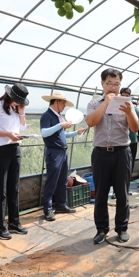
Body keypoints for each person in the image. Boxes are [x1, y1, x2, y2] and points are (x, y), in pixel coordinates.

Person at [85, 68, 139, 244]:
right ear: (102, 84)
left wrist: (130, 111)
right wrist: (105, 104)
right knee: (101, 194)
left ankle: (122, 228)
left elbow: (135, 128)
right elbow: (91, 122)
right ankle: (101, 229)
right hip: (101, 153)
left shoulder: (126, 104)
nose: (113, 88)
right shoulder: (94, 103)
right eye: (110, 83)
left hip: (122, 153)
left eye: (117, 84)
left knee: (122, 193)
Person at [0, 83, 30, 240]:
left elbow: (22, 129)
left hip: (15, 148)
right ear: (10, 95)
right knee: (0, 190)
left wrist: (22, 113)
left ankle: (14, 222)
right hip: (0, 150)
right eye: (18, 100)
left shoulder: (16, 109)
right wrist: (7, 134)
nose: (19, 103)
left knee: (14, 187)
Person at [40, 91, 87, 221]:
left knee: (62, 180)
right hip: (54, 152)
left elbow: (61, 135)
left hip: (62, 151)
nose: (65, 105)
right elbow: (44, 133)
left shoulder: (59, 116)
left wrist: (75, 133)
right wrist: (60, 125)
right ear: (56, 101)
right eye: (63, 102)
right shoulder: (47, 116)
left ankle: (60, 205)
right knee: (52, 181)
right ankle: (48, 209)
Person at [112, 87, 139, 199]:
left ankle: (126, 189)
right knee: (118, 167)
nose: (124, 98)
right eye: (123, 95)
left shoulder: (134, 108)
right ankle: (116, 191)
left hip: (132, 140)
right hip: (120, 141)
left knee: (129, 166)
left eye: (127, 96)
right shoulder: (116, 106)